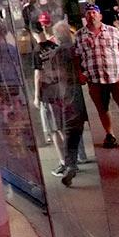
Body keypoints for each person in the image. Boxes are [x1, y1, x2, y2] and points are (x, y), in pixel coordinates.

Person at [74, 4, 119, 149]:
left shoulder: (113, 31)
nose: (91, 15)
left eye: (94, 12)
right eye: (88, 13)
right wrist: (80, 73)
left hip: (117, 76)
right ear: (85, 17)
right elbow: (76, 56)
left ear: (100, 16)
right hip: (95, 79)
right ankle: (110, 135)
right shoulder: (79, 35)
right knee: (102, 108)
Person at [33, 19, 88, 186]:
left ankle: (70, 164)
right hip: (83, 94)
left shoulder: (56, 54)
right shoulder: (78, 49)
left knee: (70, 131)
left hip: (67, 96)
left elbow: (51, 76)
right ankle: (80, 157)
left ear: (56, 36)